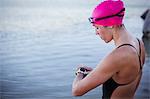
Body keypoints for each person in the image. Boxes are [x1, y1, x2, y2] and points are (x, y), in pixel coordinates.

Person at [72, 0, 146, 99]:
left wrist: (80, 73)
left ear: (111, 24)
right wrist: (95, 73)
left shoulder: (119, 56)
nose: (96, 32)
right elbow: (125, 77)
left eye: (97, 27)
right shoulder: (138, 43)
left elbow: (76, 91)